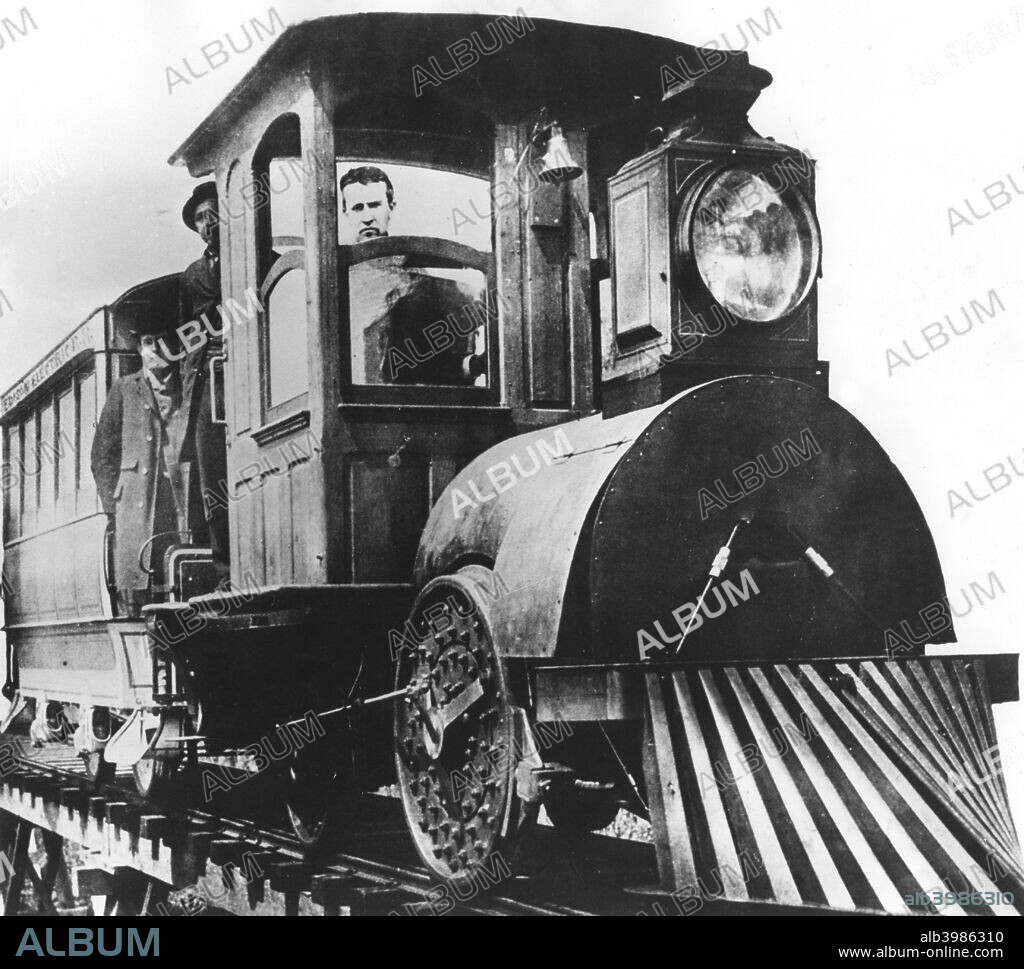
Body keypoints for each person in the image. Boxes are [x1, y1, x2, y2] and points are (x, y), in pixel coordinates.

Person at [339, 166, 480, 385]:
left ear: (391, 207)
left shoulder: (419, 270)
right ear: (345, 213)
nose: (368, 217)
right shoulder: (337, 274)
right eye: (358, 208)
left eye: (375, 205)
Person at [91, 320, 192, 615]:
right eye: (149, 341)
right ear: (139, 348)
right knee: (140, 590)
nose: (155, 349)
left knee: (182, 581)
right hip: (136, 511)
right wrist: (113, 507)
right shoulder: (124, 390)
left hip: (177, 506)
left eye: (163, 341)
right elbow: (101, 455)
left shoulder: (188, 387)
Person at [178, 182, 230, 580]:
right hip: (205, 385)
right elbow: (185, 337)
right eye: (199, 218)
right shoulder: (192, 275)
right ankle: (225, 567)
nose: (207, 223)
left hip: (243, 375)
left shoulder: (254, 257)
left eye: (212, 213)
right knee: (213, 479)